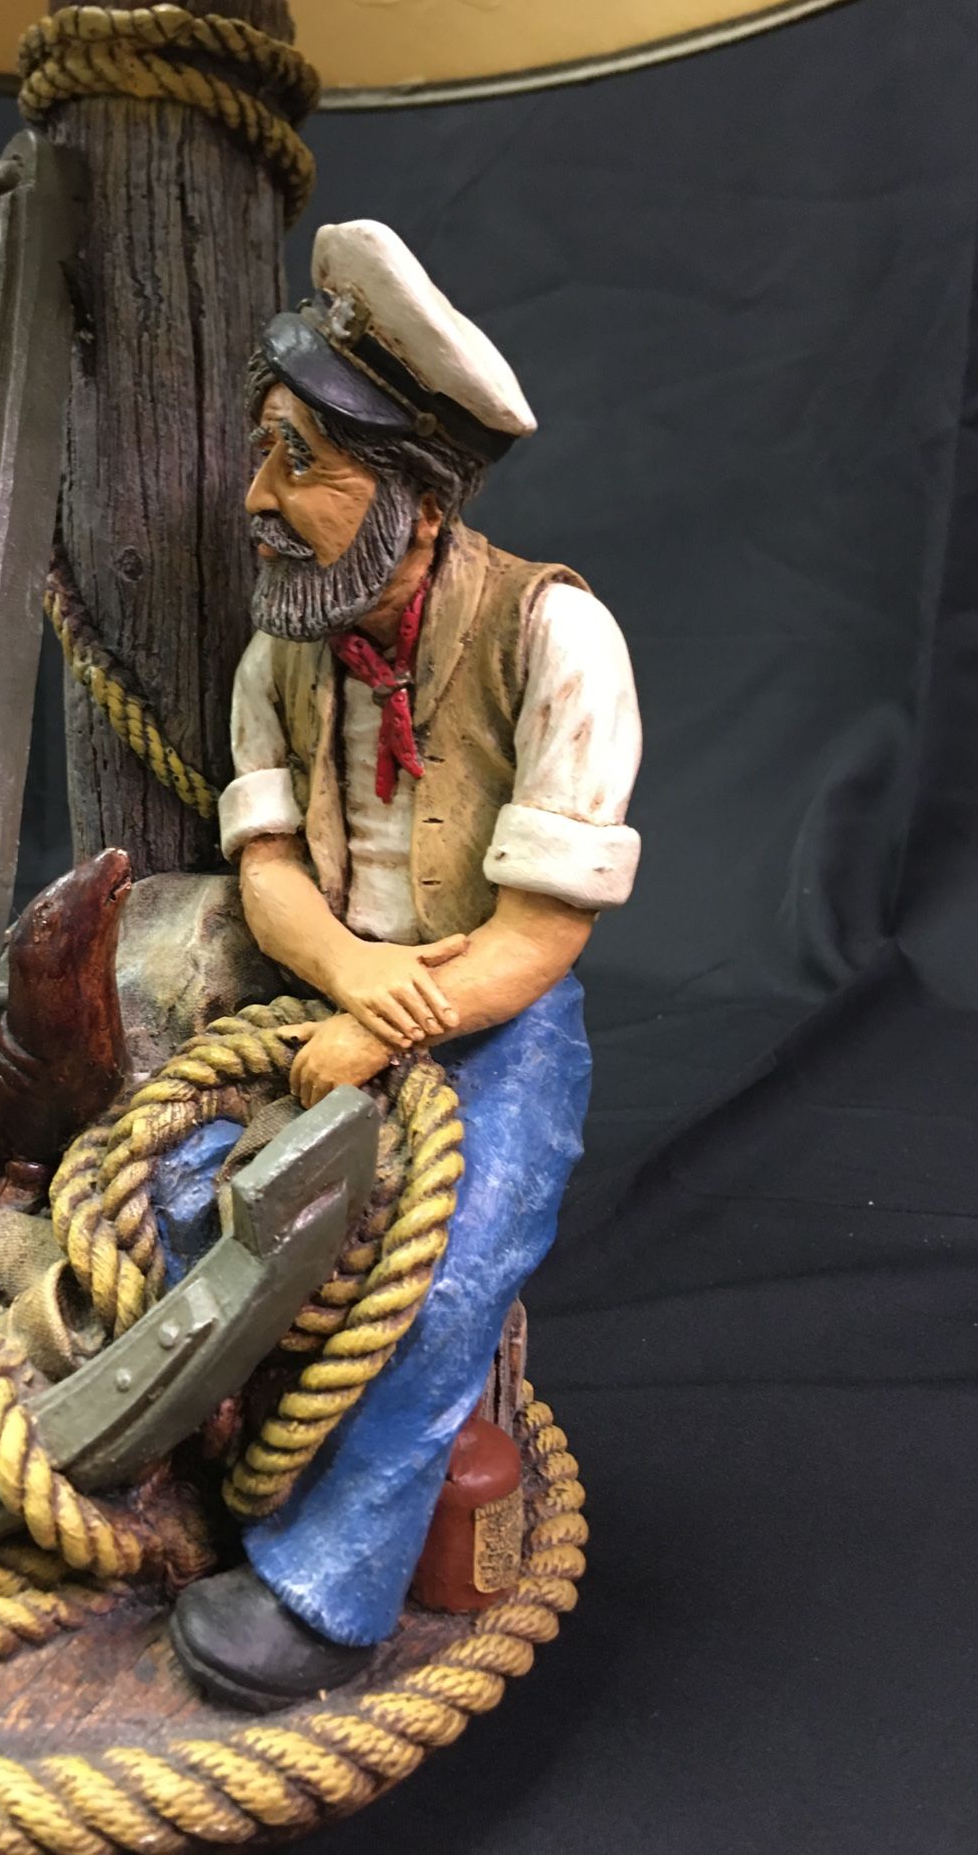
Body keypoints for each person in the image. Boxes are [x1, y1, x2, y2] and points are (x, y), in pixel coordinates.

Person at [167, 220, 642, 1711]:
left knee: (441, 1282)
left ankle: (327, 1595)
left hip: (497, 1025)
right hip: (323, 995)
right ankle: (189, 1502)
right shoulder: (282, 653)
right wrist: (351, 986)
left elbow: (540, 934)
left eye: (299, 461)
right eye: (264, 453)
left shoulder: (557, 639)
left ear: (416, 499)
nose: (256, 497)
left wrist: (396, 1025)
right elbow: (266, 872)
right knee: (178, 1199)